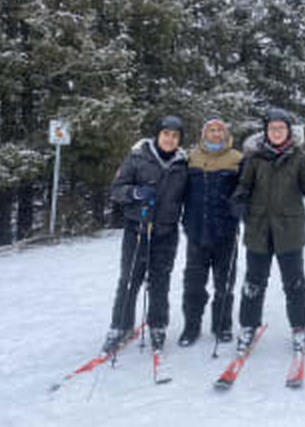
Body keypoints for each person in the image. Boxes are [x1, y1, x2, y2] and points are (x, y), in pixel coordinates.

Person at [230, 108, 305, 353]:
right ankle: (248, 327)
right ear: (266, 132)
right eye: (272, 128)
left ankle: (300, 328)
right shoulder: (255, 158)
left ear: (288, 131)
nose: (277, 132)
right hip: (258, 228)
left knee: (295, 282)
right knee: (254, 282)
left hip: (289, 229)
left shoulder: (298, 158)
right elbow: (244, 185)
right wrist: (238, 199)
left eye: (281, 128)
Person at [103, 116, 188, 354]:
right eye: (166, 134)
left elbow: (190, 196)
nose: (170, 139)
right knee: (130, 278)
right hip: (138, 229)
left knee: (160, 281)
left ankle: (158, 326)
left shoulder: (183, 164)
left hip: (167, 231)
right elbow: (116, 190)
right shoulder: (138, 157)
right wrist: (136, 192)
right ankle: (120, 327)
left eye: (175, 136)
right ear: (157, 135)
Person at [179, 116, 243, 347]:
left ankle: (222, 325)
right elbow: (179, 189)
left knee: (224, 282)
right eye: (211, 130)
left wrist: (240, 204)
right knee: (193, 283)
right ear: (204, 134)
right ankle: (191, 327)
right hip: (196, 230)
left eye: (220, 130)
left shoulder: (237, 159)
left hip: (226, 231)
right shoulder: (191, 158)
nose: (216, 134)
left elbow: (247, 189)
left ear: (226, 135)